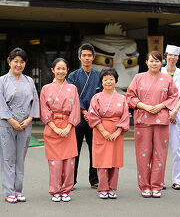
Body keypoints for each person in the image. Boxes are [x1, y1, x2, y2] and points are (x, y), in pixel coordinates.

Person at [126, 51, 178, 198]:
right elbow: (130, 96)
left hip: (161, 119)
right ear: (146, 62)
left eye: (157, 61)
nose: (154, 63)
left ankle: (156, 186)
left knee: (160, 154)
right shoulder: (138, 78)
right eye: (151, 61)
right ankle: (144, 186)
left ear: (161, 63)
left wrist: (161, 106)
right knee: (143, 154)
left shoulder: (167, 79)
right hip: (143, 119)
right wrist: (144, 106)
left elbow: (173, 95)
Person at [0, 48, 39, 203]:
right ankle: (9, 191)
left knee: (20, 158)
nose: (18, 64)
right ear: (9, 62)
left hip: (25, 124)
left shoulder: (29, 81)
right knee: (8, 158)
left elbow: (35, 101)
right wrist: (11, 120)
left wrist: (29, 119)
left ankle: (18, 190)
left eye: (22, 62)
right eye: (15, 61)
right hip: (6, 124)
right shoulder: (2, 81)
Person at [40, 58, 80, 202]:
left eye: (63, 69)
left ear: (67, 70)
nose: (61, 71)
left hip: (68, 126)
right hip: (52, 126)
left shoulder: (73, 88)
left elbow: (75, 109)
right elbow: (44, 109)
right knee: (55, 162)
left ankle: (66, 190)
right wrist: (55, 127)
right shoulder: (45, 89)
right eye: (58, 68)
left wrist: (69, 126)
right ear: (52, 70)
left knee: (69, 161)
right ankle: (55, 190)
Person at [87, 68, 129, 199]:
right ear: (101, 82)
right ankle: (103, 187)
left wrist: (118, 131)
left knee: (114, 161)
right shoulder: (96, 97)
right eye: (105, 79)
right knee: (102, 160)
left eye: (111, 79)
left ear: (116, 81)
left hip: (117, 131)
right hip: (101, 131)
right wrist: (103, 131)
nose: (108, 81)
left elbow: (125, 116)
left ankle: (112, 187)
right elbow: (93, 115)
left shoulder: (122, 98)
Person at [68, 43, 102, 189]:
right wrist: (83, 111)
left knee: (94, 149)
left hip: (94, 118)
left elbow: (101, 95)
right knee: (74, 151)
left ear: (93, 57)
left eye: (89, 55)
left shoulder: (99, 75)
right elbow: (73, 96)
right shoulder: (73, 76)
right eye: (84, 55)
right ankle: (71, 180)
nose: (87, 58)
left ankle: (94, 179)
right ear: (79, 57)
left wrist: (92, 112)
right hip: (77, 117)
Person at [161, 45, 180, 190]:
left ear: (178, 57)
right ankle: (159, 180)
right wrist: (167, 111)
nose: (172, 58)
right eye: (170, 55)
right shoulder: (159, 71)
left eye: (175, 55)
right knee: (160, 149)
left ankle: (178, 180)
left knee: (177, 149)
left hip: (176, 115)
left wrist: (174, 111)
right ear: (166, 56)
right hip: (161, 115)